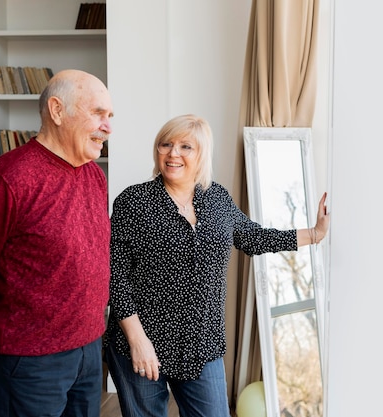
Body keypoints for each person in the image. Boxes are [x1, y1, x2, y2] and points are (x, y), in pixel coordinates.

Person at [104, 114, 330, 417]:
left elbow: (253, 237)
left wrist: (314, 234)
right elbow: (115, 276)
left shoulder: (217, 198)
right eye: (165, 144)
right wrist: (137, 340)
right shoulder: (133, 201)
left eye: (186, 146)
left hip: (202, 341)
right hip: (142, 339)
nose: (173, 153)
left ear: (201, 155)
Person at [0, 69, 113, 417]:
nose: (107, 127)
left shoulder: (94, 175)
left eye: (109, 117)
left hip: (89, 352)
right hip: (29, 364)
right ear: (57, 110)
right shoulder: (10, 179)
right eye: (98, 113)